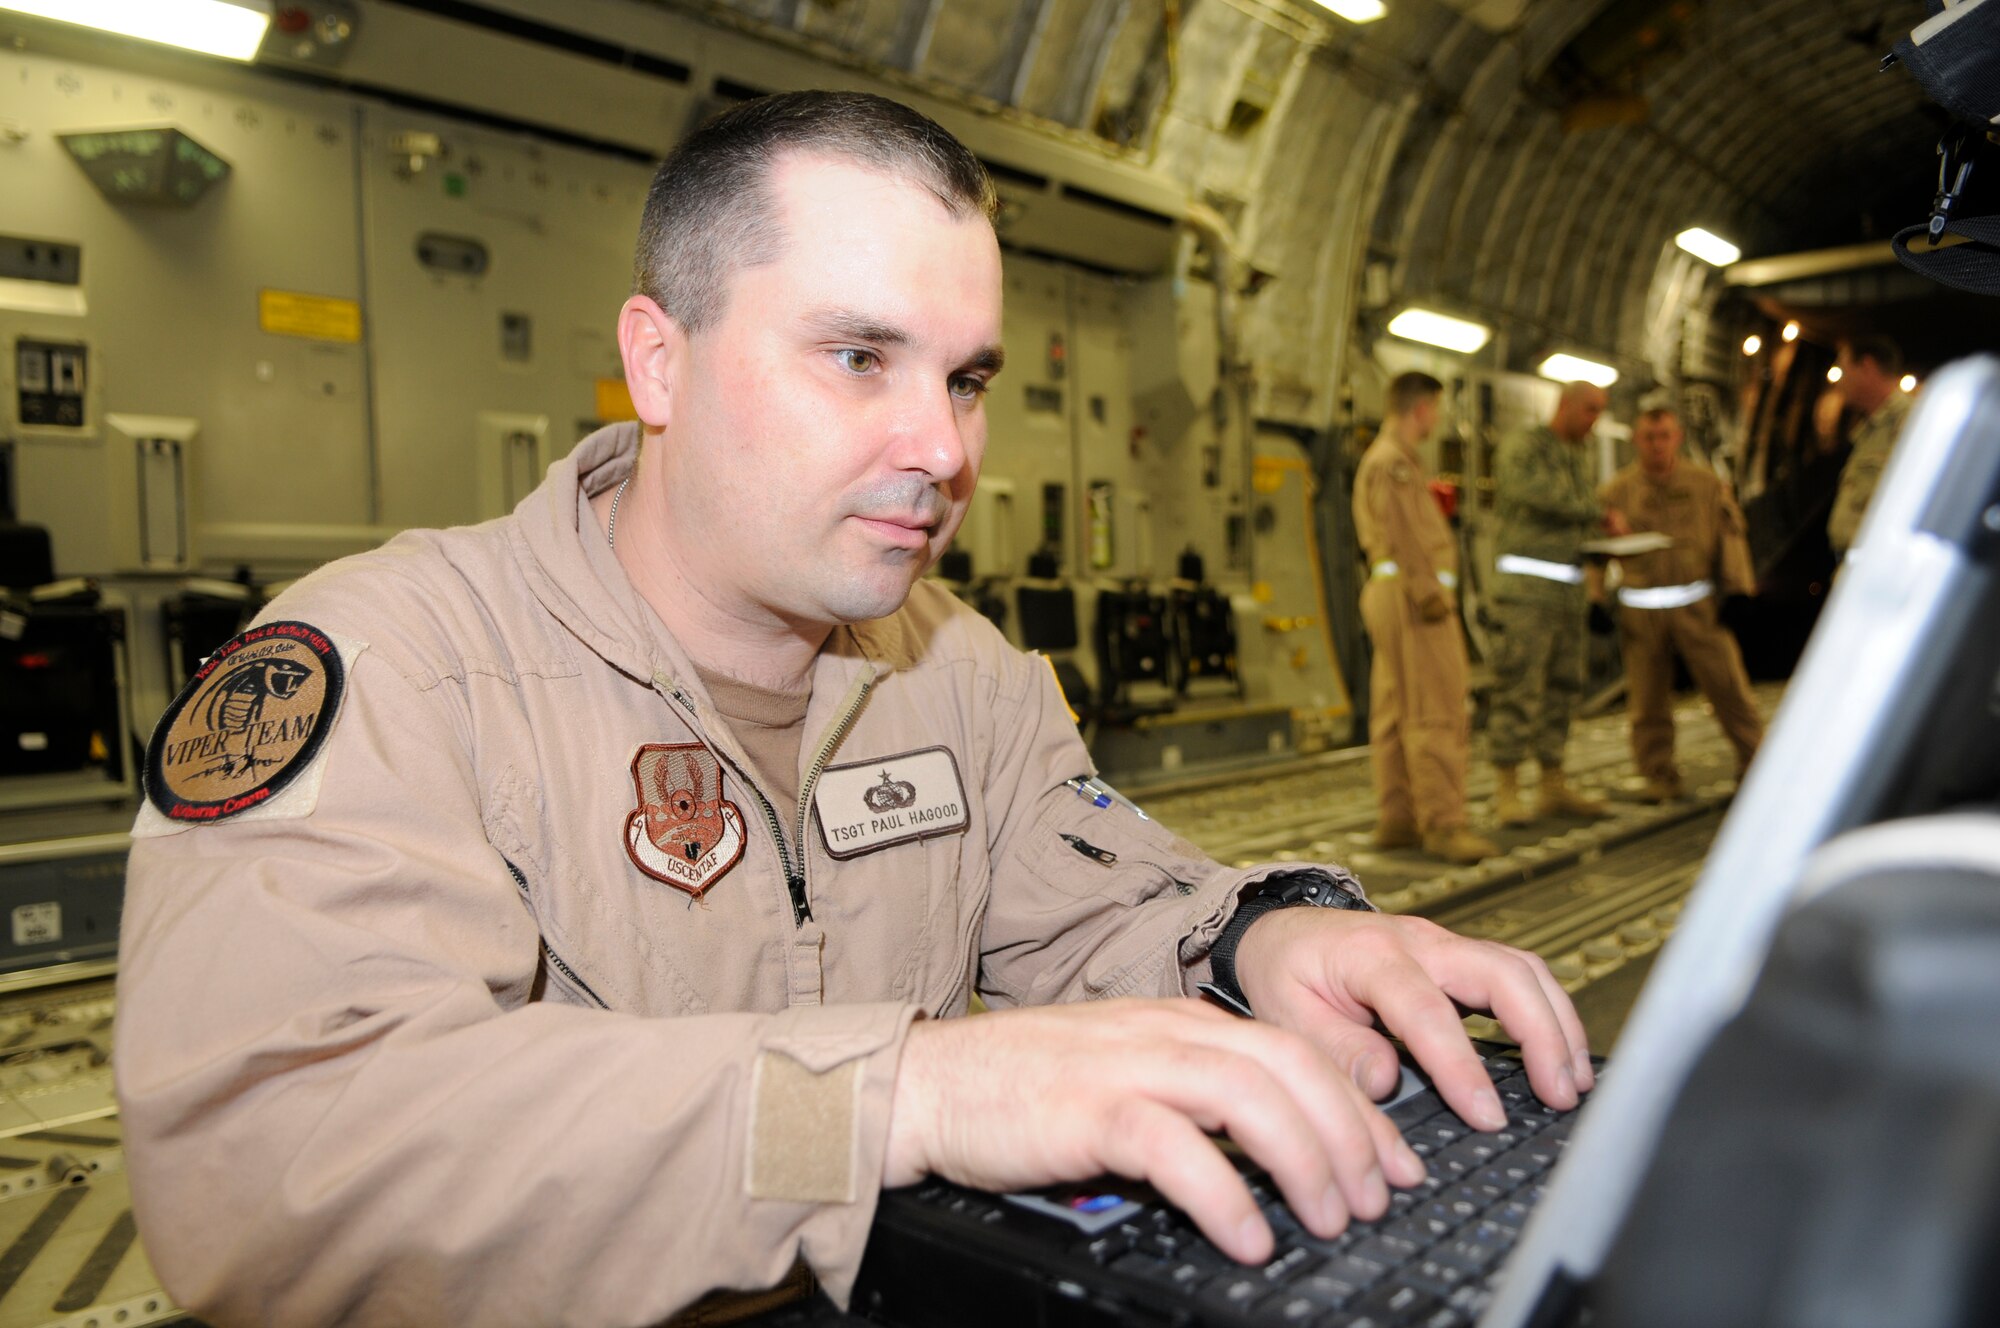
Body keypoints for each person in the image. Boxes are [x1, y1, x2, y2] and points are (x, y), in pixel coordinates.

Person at [114, 91, 1592, 1328]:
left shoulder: (956, 673)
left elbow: (1088, 912)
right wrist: (889, 1096)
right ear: (658, 361)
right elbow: (273, 1164)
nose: (942, 447)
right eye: (859, 357)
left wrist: (1268, 936)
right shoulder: (386, 667)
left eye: (968, 378)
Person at [1353, 372, 1497, 865]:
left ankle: (1399, 818)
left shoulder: (1386, 459)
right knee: (1436, 707)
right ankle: (1444, 824)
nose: (1436, 419)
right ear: (1421, 408)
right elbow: (1404, 536)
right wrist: (1429, 593)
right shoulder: (1393, 463)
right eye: (1435, 409)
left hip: (1392, 596)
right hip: (1415, 602)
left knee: (1396, 708)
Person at [1599, 408, 1763, 801]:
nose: (1657, 445)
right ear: (1636, 440)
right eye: (1649, 437)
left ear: (1678, 437)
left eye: (1664, 436)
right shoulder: (1616, 492)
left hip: (1698, 607)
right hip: (1641, 614)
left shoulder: (1705, 485)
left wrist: (1738, 591)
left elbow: (1730, 537)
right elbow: (1599, 546)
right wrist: (1595, 599)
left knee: (1728, 688)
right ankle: (1658, 775)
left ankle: (1755, 762)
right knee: (1647, 700)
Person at [1486, 382, 1621, 826]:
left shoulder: (1578, 456)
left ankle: (1552, 784)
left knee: (1563, 689)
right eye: (1588, 409)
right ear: (1563, 405)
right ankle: (1507, 790)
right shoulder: (1525, 447)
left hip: (1568, 595)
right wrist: (1594, 509)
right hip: (1527, 595)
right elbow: (1537, 494)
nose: (1593, 420)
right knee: (1519, 688)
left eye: (1599, 411)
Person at [1826, 334, 1914, 559]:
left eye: (1844, 368)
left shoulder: (1910, 424)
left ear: (1866, 366)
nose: (1840, 379)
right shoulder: (1871, 428)